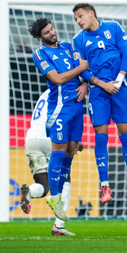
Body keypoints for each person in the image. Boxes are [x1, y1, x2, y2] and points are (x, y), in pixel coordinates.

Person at [72, 3, 127, 203]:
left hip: (120, 87)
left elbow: (126, 54)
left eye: (80, 16)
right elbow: (82, 69)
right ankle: (104, 186)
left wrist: (119, 80)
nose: (78, 21)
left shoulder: (114, 27)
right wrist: (102, 84)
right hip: (97, 91)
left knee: (126, 134)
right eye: (76, 19)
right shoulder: (78, 40)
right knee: (101, 136)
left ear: (91, 14)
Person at [27, 18, 89, 222]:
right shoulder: (40, 53)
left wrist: (86, 84)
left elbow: (85, 68)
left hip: (77, 106)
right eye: (47, 32)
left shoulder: (68, 46)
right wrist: (81, 70)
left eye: (52, 29)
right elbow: (58, 79)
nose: (52, 33)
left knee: (72, 150)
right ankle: (54, 198)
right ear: (39, 37)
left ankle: (58, 196)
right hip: (60, 108)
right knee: (59, 150)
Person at [19, 89, 85, 236]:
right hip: (50, 139)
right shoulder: (68, 92)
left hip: (31, 140)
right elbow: (63, 121)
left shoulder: (47, 92)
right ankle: (59, 225)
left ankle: (29, 191)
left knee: (44, 185)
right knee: (64, 177)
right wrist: (75, 143)